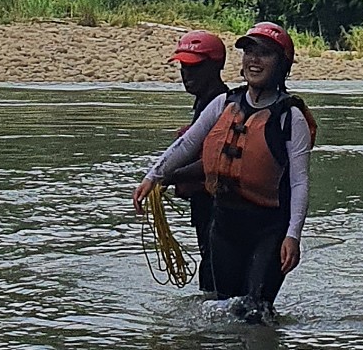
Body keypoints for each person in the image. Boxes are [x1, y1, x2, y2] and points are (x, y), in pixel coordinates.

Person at [132, 22, 313, 324]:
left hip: (268, 230)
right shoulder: (223, 104)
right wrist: (153, 176)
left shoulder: (290, 117)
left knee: (255, 313)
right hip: (226, 226)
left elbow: (299, 182)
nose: (254, 60)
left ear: (282, 64)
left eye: (264, 54)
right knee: (224, 310)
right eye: (249, 52)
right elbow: (187, 145)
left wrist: (292, 236)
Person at [164, 31, 230, 288]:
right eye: (183, 67)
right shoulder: (204, 103)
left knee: (214, 273)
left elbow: (217, 162)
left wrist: (171, 176)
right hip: (204, 206)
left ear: (216, 66)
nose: (187, 74)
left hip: (219, 208)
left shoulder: (224, 106)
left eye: (195, 67)